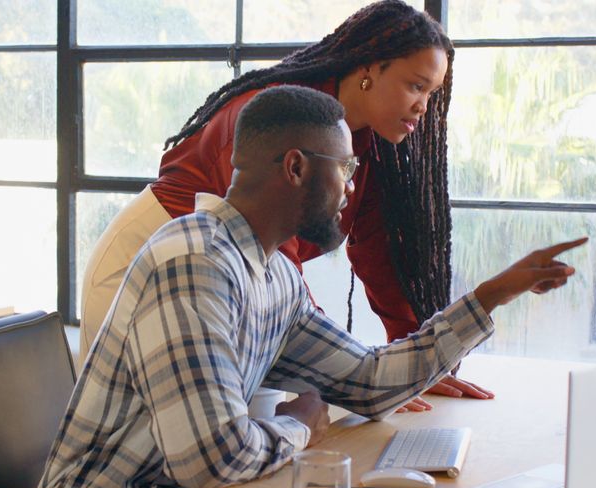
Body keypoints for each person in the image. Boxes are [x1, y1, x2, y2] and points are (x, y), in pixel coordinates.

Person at [32, 85, 586, 488]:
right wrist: (302, 426)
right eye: (344, 167)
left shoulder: (273, 273)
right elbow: (211, 458)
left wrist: (490, 297)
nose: (351, 186)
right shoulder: (194, 263)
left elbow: (368, 382)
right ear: (296, 167)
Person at [79, 0, 483, 415]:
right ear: (368, 70)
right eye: (416, 86)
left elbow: (381, 252)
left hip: (231, 287)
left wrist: (416, 365)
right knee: (171, 450)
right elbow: (279, 259)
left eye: (432, 93)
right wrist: (348, 375)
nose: (424, 106)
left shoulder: (370, 146)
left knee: (249, 445)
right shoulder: (277, 118)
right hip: (148, 269)